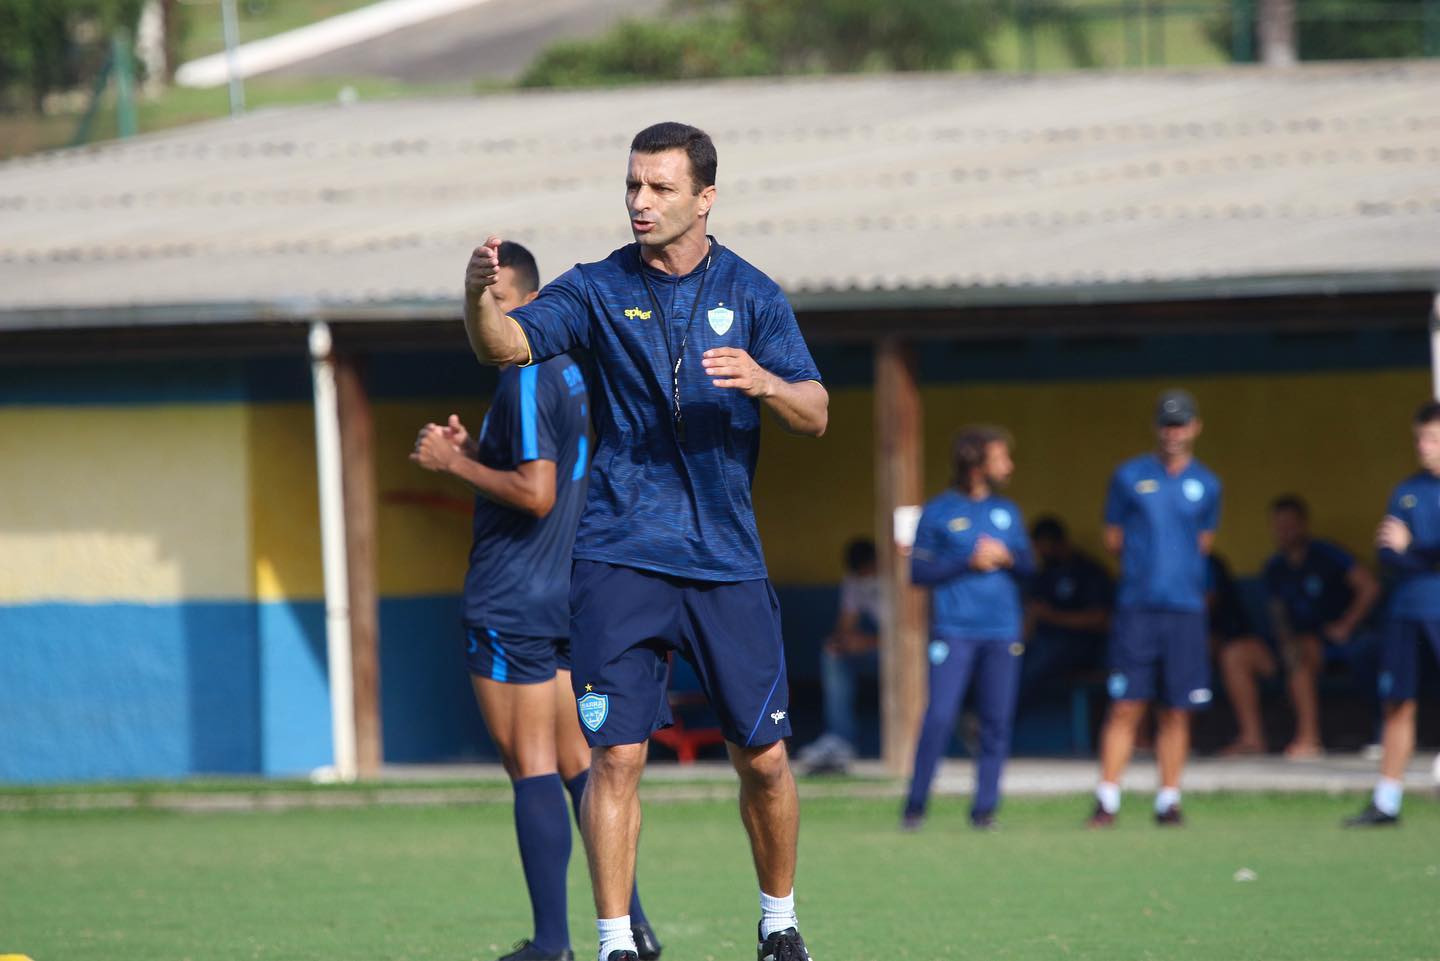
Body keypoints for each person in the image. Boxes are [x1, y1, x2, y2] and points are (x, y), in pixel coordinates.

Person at [459, 122, 828, 961]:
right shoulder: (592, 288)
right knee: (616, 754)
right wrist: (479, 294)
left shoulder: (756, 294)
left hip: (726, 562)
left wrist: (767, 381)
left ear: (705, 197)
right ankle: (616, 941)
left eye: (659, 188)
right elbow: (506, 344)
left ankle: (779, 924)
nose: (639, 202)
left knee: (764, 758)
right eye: (632, 185)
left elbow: (818, 412)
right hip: (618, 558)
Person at [410, 241, 659, 961]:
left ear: (504, 295)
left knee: (533, 768)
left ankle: (553, 942)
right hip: (564, 594)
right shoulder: (572, 369)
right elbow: (543, 469)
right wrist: (480, 452)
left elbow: (537, 490)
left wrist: (452, 462)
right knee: (580, 765)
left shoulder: (522, 370)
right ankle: (634, 926)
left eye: (480, 304)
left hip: (514, 595)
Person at [1089, 389, 1221, 828]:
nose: (1173, 432)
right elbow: (1113, 538)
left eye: (1181, 424)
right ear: (1156, 428)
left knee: (1177, 708)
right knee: (1126, 704)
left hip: (1184, 608)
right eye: (1167, 424)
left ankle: (1169, 799)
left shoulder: (1208, 484)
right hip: (1137, 607)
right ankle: (1107, 799)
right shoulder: (1128, 476)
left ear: (1195, 427)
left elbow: (1204, 543)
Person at [902, 427, 1033, 831]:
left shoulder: (1008, 512)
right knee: (940, 716)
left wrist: (1008, 557)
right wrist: (968, 563)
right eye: (1001, 458)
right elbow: (917, 571)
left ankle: (984, 810)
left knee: (996, 721)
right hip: (954, 631)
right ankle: (916, 806)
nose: (1008, 466)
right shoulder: (938, 511)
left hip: (1002, 630)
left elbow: (1031, 568)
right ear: (976, 464)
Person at [1219, 496, 1379, 759]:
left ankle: (1309, 738)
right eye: (1278, 526)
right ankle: (1252, 738)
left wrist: (1346, 625)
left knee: (1300, 654)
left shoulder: (1327, 555)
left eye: (1289, 525)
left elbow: (1369, 587)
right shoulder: (1275, 567)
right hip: (1288, 643)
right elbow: (1277, 614)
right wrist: (1283, 641)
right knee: (1235, 654)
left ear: (1303, 525)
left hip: (1329, 643)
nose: (1284, 532)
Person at [1346, 401, 1440, 827]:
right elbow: (1386, 553)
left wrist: (1412, 550)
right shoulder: (1405, 491)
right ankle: (1387, 801)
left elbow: (1409, 550)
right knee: (1397, 703)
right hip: (1405, 611)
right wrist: (1416, 555)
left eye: (1433, 439)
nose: (1424, 446)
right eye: (1420, 438)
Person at [796, 538, 881, 774]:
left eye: (868, 568)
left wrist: (868, 642)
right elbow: (844, 626)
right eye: (860, 570)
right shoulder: (855, 580)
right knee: (832, 653)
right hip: (878, 652)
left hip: (915, 655)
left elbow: (915, 638)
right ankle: (840, 739)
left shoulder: (901, 578)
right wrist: (844, 642)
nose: (865, 574)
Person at [1020, 516, 1113, 701]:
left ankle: (998, 716)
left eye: (1043, 545)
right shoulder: (1045, 573)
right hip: (1045, 641)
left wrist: (1052, 616)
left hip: (1084, 645)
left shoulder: (1087, 571)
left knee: (1043, 655)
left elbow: (1101, 619)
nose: (1039, 552)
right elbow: (1032, 612)